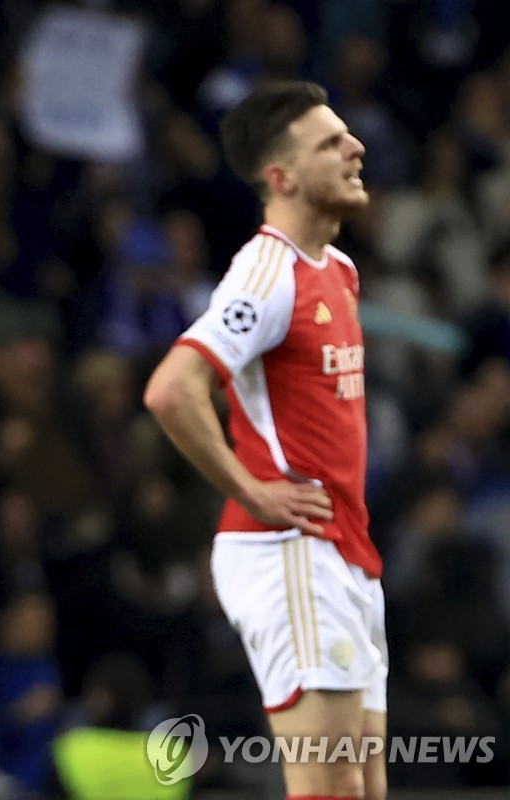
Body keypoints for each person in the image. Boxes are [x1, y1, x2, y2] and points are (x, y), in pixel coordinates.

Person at [143, 81, 388, 800]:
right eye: (330, 143)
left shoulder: (337, 270)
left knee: (364, 788)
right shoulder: (267, 271)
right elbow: (172, 388)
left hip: (344, 550)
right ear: (279, 178)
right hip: (289, 552)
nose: (356, 148)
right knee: (328, 787)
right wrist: (249, 488)